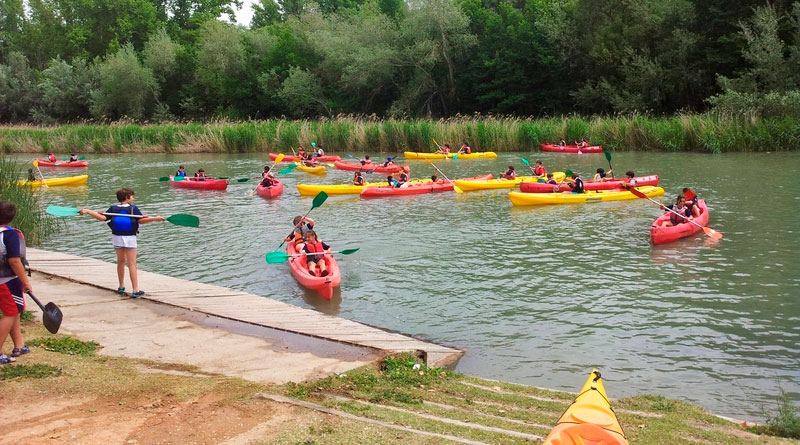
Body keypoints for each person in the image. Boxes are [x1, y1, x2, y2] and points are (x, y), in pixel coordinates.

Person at [78, 189, 165, 298]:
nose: (133, 198)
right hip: (130, 239)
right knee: (132, 264)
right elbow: (140, 221)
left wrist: (88, 211)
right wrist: (155, 219)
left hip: (117, 238)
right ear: (127, 197)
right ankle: (135, 290)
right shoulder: (133, 208)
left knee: (121, 262)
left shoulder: (113, 208)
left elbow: (102, 218)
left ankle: (121, 286)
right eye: (132, 197)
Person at [0, 201, 34, 364]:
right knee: (11, 313)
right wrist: (25, 281)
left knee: (15, 309)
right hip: (7, 281)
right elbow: (14, 261)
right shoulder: (10, 234)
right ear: (12, 217)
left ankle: (19, 345)